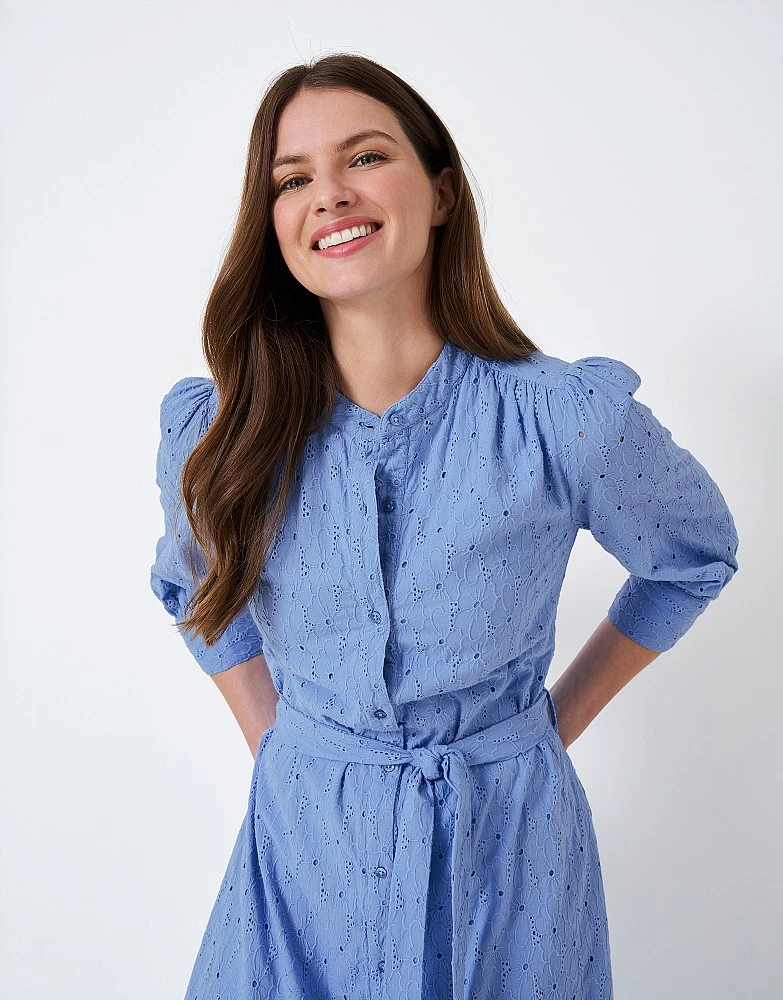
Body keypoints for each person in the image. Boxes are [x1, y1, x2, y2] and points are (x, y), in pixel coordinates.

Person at [150, 53, 740, 1000]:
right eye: (292, 179)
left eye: (364, 157)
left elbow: (692, 558)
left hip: (509, 855)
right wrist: (281, 745)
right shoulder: (219, 430)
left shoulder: (563, 419)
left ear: (441, 191)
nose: (328, 194)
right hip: (299, 862)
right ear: (272, 223)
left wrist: (547, 725)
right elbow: (191, 586)